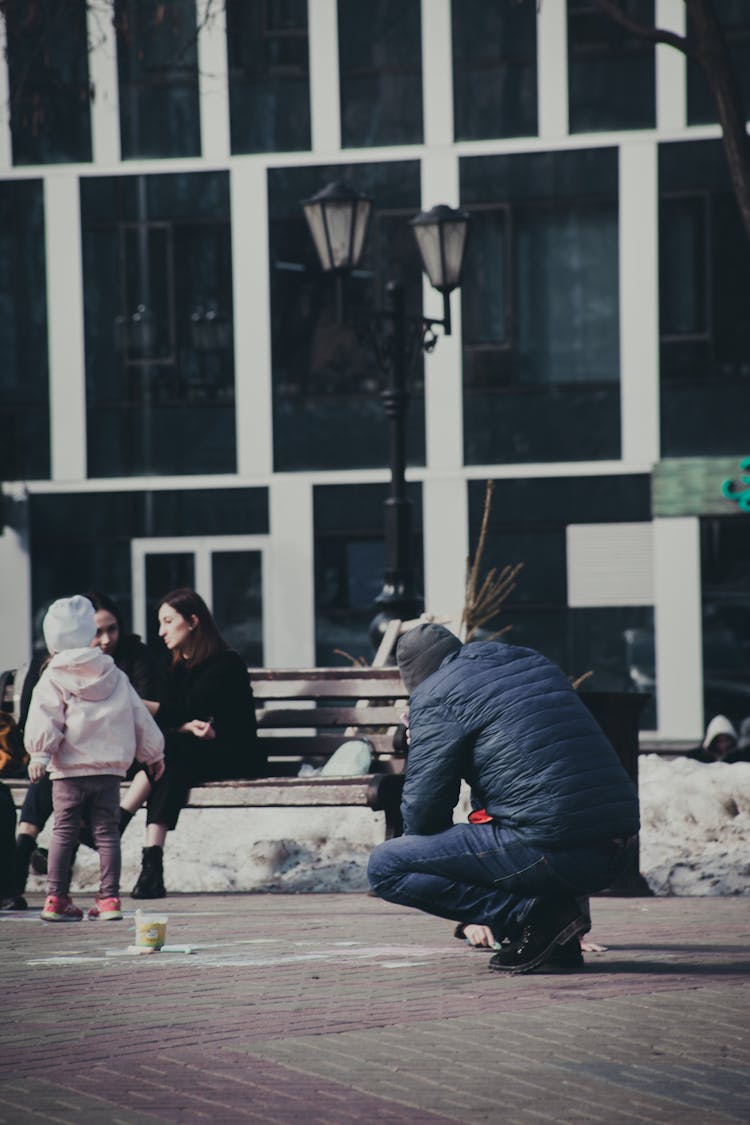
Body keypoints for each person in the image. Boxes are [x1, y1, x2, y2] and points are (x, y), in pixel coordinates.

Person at [367, 622, 640, 975]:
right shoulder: (530, 663)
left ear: (416, 677)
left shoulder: (435, 695)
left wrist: (422, 739)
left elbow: (424, 817)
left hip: (557, 853)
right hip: (616, 851)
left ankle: (537, 917)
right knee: (528, 818)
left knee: (386, 866)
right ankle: (557, 940)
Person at [8, 592, 158, 908]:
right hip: (107, 771)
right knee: (107, 833)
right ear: (88, 633)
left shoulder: (53, 675)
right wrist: (153, 753)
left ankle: (57, 897)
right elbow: (138, 715)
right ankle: (109, 899)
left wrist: (40, 753)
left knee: (62, 831)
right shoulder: (113, 673)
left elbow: (43, 716)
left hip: (68, 772)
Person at [123, 588, 265, 899]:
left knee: (169, 753)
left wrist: (135, 703)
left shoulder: (226, 664)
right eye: (160, 623)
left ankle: (122, 819)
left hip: (233, 752)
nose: (160, 631)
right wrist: (185, 725)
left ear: (193, 621)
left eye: (168, 621)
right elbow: (181, 716)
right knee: (170, 758)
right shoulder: (171, 666)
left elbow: (190, 706)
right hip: (186, 754)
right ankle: (152, 865)